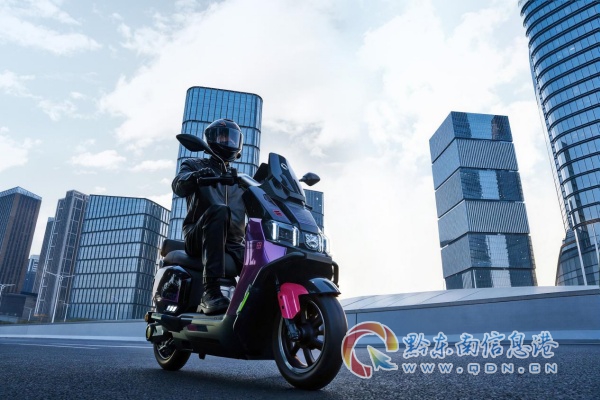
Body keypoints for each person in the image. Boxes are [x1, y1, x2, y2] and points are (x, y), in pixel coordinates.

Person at [172, 118, 246, 315]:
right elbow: (178, 185)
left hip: (233, 244)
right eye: (222, 137)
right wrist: (195, 177)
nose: (227, 141)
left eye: (232, 138)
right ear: (211, 139)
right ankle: (210, 292)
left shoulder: (240, 180)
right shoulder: (194, 165)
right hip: (198, 235)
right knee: (219, 210)